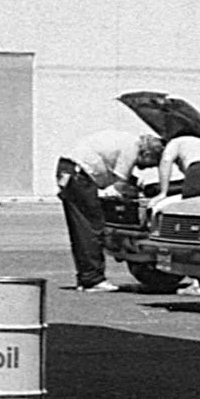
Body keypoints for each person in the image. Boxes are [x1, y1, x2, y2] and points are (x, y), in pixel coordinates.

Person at [57, 122, 161, 291]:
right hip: (80, 175)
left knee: (81, 228)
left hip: (69, 171)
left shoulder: (127, 141)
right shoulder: (132, 148)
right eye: (151, 163)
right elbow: (121, 184)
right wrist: (143, 191)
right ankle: (93, 280)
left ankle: (86, 277)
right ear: (148, 153)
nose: (146, 167)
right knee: (91, 227)